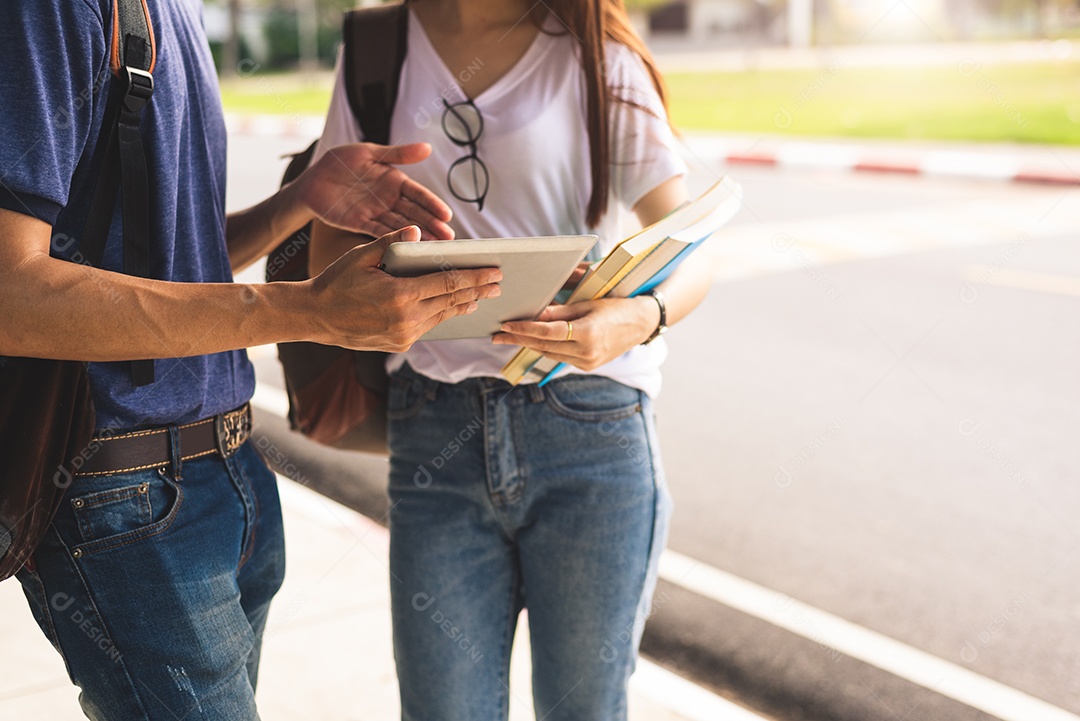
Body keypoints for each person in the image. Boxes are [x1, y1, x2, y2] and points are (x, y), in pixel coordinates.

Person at [0, 2, 501, 720]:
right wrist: (309, 309)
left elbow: (166, 263)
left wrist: (298, 202)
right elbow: (11, 294)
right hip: (124, 491)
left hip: (228, 474)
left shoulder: (178, 9)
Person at [308, 1, 715, 719]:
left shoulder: (597, 56)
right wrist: (379, 292)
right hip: (433, 427)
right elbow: (328, 244)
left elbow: (689, 249)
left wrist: (638, 316)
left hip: (590, 425)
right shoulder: (377, 48)